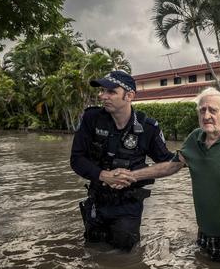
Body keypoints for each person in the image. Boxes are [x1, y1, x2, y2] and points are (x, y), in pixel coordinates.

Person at [119, 87, 220, 262]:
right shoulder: (195, 138)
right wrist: (131, 176)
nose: (206, 116)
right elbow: (171, 167)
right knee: (202, 267)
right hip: (203, 230)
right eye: (202, 110)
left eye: (213, 110)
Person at [70, 70, 174, 251]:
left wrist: (192, 155)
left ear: (129, 96)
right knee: (93, 252)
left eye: (111, 92)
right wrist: (104, 175)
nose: (103, 96)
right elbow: (77, 159)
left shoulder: (147, 128)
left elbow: (167, 162)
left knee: (126, 255)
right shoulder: (91, 119)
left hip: (128, 206)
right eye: (102, 91)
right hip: (97, 201)